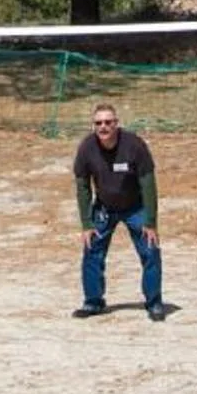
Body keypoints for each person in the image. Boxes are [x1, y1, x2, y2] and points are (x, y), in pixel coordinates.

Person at [71, 104, 163, 320]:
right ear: (93, 126)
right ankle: (93, 302)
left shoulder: (134, 145)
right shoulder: (86, 148)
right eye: (98, 123)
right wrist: (87, 224)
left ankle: (154, 302)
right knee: (92, 250)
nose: (103, 127)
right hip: (104, 208)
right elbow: (83, 187)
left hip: (135, 208)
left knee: (150, 251)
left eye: (108, 122)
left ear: (116, 124)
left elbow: (148, 184)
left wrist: (150, 221)